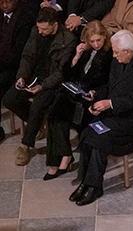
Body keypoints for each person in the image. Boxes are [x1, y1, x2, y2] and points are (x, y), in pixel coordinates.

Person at [69, 29, 133, 206]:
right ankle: (85, 181)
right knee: (89, 131)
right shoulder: (119, 59)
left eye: (117, 53)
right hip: (114, 114)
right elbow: (111, 85)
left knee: (100, 137)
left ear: (127, 51)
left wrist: (110, 104)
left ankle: (94, 186)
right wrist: (97, 95)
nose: (114, 56)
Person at [2, 7, 77, 166]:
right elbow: (27, 56)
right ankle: (38, 125)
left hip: (52, 82)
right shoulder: (36, 31)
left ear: (55, 25)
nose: (41, 31)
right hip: (33, 76)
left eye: (44, 28)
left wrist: (42, 86)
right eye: (39, 28)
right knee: (9, 99)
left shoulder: (68, 39)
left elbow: (60, 73)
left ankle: (25, 145)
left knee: (37, 105)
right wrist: (21, 76)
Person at [44, 20, 111, 180]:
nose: (96, 44)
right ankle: (61, 158)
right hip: (75, 93)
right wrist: (77, 56)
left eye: (98, 40)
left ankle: (63, 158)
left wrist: (94, 92)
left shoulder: (109, 55)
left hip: (90, 98)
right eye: (92, 41)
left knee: (61, 113)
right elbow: (67, 74)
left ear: (104, 37)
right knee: (54, 115)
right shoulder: (85, 51)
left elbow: (109, 82)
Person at [0, 0, 35, 142]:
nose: (4, 4)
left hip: (16, 67)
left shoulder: (26, 17)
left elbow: (18, 54)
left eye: (8, 1)